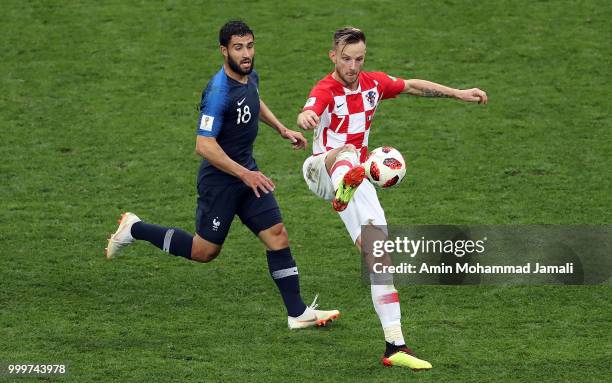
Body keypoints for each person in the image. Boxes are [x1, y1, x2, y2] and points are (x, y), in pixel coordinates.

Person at [106, 20, 339, 330]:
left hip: (247, 175)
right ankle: (135, 229)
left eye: (250, 46)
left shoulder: (247, 74)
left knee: (277, 235)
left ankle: (296, 313)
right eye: (238, 48)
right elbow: (204, 145)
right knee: (205, 252)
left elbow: (254, 99)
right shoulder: (217, 92)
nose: (246, 54)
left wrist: (282, 129)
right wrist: (244, 174)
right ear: (224, 50)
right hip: (221, 182)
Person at [297, 27, 488, 369]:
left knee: (379, 258)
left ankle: (395, 346)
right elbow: (309, 110)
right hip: (321, 170)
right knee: (345, 153)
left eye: (359, 59)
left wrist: (458, 93)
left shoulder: (373, 84)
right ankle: (348, 182)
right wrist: (305, 117)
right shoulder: (325, 89)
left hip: (356, 180)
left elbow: (413, 86)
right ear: (333, 56)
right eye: (346, 59)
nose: (353, 66)